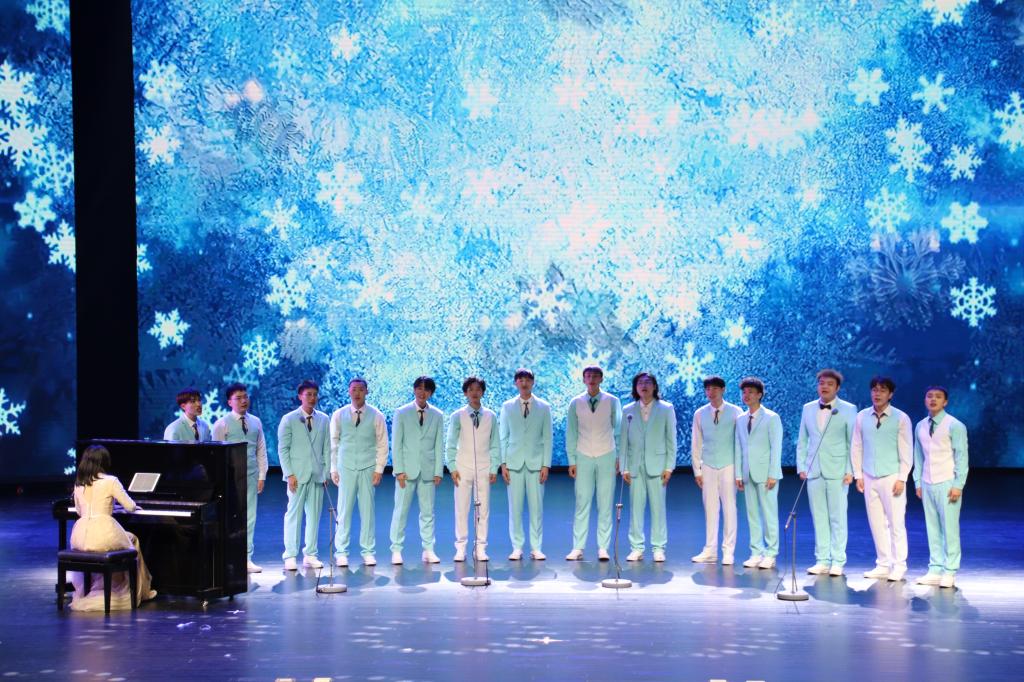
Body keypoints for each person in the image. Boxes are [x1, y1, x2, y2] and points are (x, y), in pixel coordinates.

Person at [68, 445, 157, 611]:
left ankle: (103, 585)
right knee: (133, 540)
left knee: (123, 541)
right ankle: (141, 591)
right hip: (103, 532)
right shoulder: (111, 481)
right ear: (104, 462)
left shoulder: (79, 483)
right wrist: (119, 506)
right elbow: (130, 506)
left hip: (80, 535)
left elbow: (80, 511)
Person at [851, 376, 913, 582]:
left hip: (892, 475)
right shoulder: (862, 416)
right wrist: (858, 475)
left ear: (890, 394)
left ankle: (899, 565)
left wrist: (902, 477)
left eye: (882, 390)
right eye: (874, 390)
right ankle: (883, 564)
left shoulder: (901, 418)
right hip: (869, 476)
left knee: (896, 523)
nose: (877, 394)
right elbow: (856, 446)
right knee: (876, 523)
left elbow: (906, 450)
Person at [797, 368, 857, 577]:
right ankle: (822, 559)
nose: (824, 387)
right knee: (819, 517)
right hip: (814, 470)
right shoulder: (808, 408)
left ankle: (838, 560)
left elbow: (852, 442)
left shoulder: (848, 409)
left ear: (837, 388)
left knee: (837, 517)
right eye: (821, 383)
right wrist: (802, 466)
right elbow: (803, 440)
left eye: (830, 384)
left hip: (838, 470)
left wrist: (850, 470)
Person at [912, 385, 968, 589]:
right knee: (932, 527)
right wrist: (918, 481)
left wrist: (958, 484)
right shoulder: (920, 426)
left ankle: (950, 570)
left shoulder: (955, 425)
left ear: (945, 402)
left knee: (949, 528)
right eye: (929, 396)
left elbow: (962, 457)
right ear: (925, 400)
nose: (933, 399)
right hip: (927, 482)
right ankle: (935, 569)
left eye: (938, 397)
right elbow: (918, 456)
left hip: (947, 482)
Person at [565, 365, 622, 561]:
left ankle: (603, 547)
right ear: (583, 379)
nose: (592, 379)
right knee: (582, 502)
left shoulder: (612, 401)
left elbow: (618, 430)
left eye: (595, 376)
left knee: (605, 503)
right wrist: (572, 460)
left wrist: (619, 457)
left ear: (601, 379)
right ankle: (578, 547)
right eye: (588, 376)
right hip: (583, 455)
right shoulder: (576, 402)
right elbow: (571, 433)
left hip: (607, 454)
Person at [330, 377, 389, 567]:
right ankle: (341, 551)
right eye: (354, 389)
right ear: (349, 391)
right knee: (344, 510)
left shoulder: (376, 415)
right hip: (346, 467)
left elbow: (382, 444)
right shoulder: (339, 415)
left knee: (367, 511)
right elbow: (333, 443)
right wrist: (333, 468)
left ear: (367, 392)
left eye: (361, 389)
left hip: (367, 467)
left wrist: (379, 469)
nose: (357, 393)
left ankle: (368, 551)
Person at [619, 372, 677, 562]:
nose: (644, 386)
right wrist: (624, 467)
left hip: (657, 466)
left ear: (654, 386)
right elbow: (623, 441)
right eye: (640, 383)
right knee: (636, 508)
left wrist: (669, 467)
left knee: (658, 508)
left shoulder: (666, 409)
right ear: (635, 387)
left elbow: (671, 439)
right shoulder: (628, 409)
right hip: (635, 465)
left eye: (648, 382)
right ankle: (636, 547)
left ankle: (659, 547)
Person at [211, 382, 268, 573]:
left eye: (246, 397)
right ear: (229, 402)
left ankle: (246, 557)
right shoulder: (222, 424)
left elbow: (261, 450)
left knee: (249, 517)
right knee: (231, 517)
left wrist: (262, 475)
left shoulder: (256, 422)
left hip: (250, 475)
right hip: (230, 478)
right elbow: (216, 454)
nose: (244, 401)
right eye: (238, 398)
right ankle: (229, 556)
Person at [389, 376, 445, 565]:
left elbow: (439, 445)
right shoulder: (402, 412)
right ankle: (396, 549)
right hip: (406, 470)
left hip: (428, 470)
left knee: (428, 512)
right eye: (419, 388)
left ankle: (429, 550)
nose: (422, 392)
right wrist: (398, 470)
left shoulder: (437, 415)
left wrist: (438, 471)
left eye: (426, 389)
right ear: (414, 390)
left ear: (431, 393)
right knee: (401, 511)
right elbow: (396, 444)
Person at [499, 368, 553, 561]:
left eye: (527, 380)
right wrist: (503, 463)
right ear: (516, 383)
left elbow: (547, 438)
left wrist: (546, 465)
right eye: (520, 380)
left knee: (536, 508)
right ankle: (517, 547)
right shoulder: (507, 406)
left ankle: (536, 547)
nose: (524, 383)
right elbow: (503, 437)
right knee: (515, 508)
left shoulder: (544, 407)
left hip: (536, 464)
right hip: (513, 463)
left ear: (533, 382)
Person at [446, 376, 500, 562]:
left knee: (483, 510)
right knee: (461, 508)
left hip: (484, 467)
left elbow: (495, 444)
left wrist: (494, 467)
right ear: (465, 393)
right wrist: (452, 467)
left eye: (478, 389)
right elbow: (450, 444)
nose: (474, 393)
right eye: (471, 390)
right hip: (463, 467)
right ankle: (460, 547)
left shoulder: (491, 416)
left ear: (483, 392)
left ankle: (481, 547)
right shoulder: (457, 416)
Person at [278, 380, 331, 571]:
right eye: (308, 394)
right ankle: (290, 555)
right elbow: (283, 449)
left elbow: (327, 448)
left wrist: (326, 472)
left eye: (315, 394)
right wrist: (289, 474)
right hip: (297, 476)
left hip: (317, 475)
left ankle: (310, 554)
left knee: (314, 516)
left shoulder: (324, 419)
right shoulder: (289, 419)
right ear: (300, 396)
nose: (312, 398)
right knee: (294, 515)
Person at [690, 375, 742, 565]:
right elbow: (696, 443)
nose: (711, 392)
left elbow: (740, 443)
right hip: (708, 465)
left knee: (730, 508)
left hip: (729, 465)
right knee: (710, 509)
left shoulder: (736, 412)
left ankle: (728, 551)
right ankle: (710, 550)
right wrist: (697, 470)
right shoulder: (700, 413)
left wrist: (739, 471)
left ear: (723, 390)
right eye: (708, 389)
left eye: (714, 389)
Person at [734, 377, 783, 569]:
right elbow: (738, 447)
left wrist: (773, 473)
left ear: (759, 395)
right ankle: (756, 552)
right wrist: (739, 474)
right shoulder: (740, 419)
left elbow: (776, 447)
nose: (746, 396)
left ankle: (771, 553)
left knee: (769, 514)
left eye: (751, 392)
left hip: (766, 473)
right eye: (744, 392)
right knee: (752, 515)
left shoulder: (771, 417)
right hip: (748, 473)